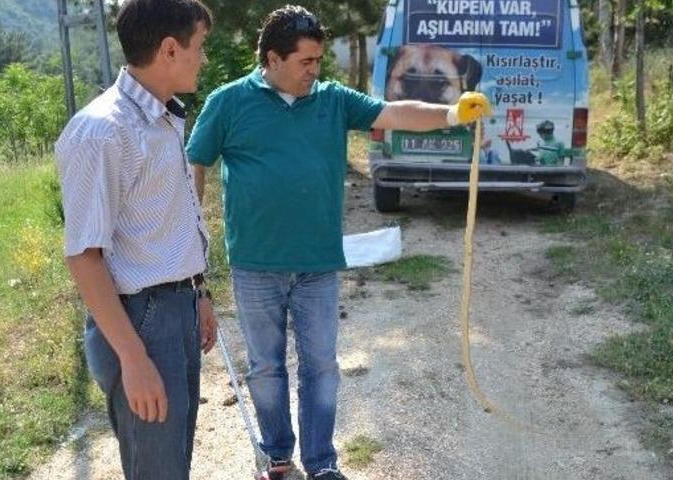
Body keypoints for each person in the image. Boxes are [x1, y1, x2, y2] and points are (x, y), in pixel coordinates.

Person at [185, 5, 491, 480]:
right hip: (255, 264)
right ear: (272, 58)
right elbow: (195, 165)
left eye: (318, 60)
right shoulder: (227, 102)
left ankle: (322, 463)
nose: (315, 70)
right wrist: (190, 245)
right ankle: (277, 455)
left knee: (322, 366)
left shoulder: (332, 99)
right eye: (306, 61)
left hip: (318, 263)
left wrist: (452, 112)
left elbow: (395, 112)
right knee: (266, 368)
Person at [54, 1, 215, 478]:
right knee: (156, 470)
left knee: (172, 461)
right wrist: (132, 355)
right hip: (141, 320)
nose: (203, 58)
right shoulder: (102, 131)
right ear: (169, 49)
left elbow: (170, 221)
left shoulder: (161, 117)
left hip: (176, 309)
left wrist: (198, 291)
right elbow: (84, 256)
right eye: (199, 47)